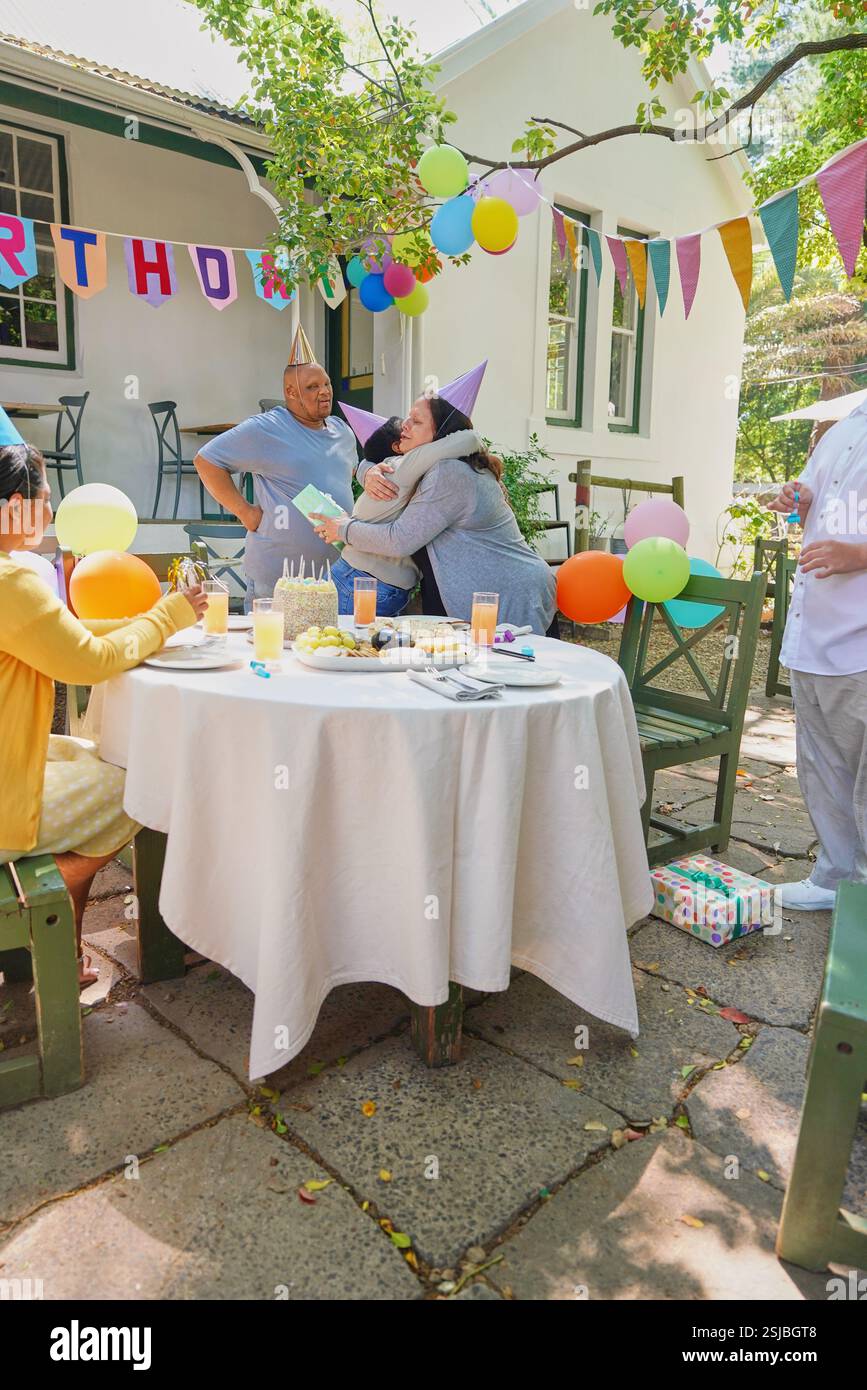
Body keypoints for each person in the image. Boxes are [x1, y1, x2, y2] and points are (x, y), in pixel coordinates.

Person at [0, 436, 205, 985]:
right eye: (43, 497)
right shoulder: (12, 579)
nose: (49, 510)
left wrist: (161, 625)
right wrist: (167, 617)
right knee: (141, 784)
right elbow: (86, 662)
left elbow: (64, 635)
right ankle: (46, 922)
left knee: (85, 750)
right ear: (14, 505)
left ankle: (55, 942)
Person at [313, 380, 557, 635]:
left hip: (509, 592)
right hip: (503, 590)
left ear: (441, 436)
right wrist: (366, 470)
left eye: (416, 422)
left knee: (504, 670)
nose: (404, 426)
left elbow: (400, 539)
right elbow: (392, 468)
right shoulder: (443, 467)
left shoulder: (449, 473)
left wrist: (344, 529)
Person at [768, 395, 867, 910]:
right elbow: (814, 497)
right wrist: (797, 498)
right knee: (823, 768)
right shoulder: (843, 426)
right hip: (813, 633)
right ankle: (835, 880)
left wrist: (858, 554)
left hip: (861, 639)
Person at [193, 325, 357, 608]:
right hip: (277, 581)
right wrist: (244, 512)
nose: (324, 392)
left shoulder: (342, 431)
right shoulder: (266, 429)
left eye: (327, 384)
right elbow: (206, 461)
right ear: (290, 392)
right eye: (312, 387)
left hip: (333, 581)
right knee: (269, 651)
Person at [330, 405, 481, 617]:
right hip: (362, 582)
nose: (406, 427)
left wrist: (365, 470)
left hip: (364, 579)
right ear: (397, 447)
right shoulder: (404, 467)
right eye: (403, 427)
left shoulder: (401, 471)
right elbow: (471, 439)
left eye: (415, 422)